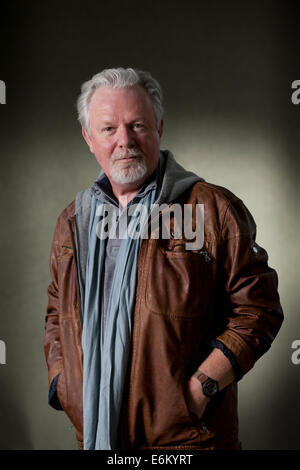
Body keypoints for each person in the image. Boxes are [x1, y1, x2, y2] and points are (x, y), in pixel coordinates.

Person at [44, 67, 283, 451]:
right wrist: (63, 382)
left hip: (185, 441)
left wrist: (201, 387)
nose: (125, 141)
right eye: (109, 129)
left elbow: (259, 309)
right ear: (89, 138)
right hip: (95, 435)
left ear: (159, 128)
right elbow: (57, 311)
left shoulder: (212, 209)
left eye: (137, 125)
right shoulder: (73, 221)